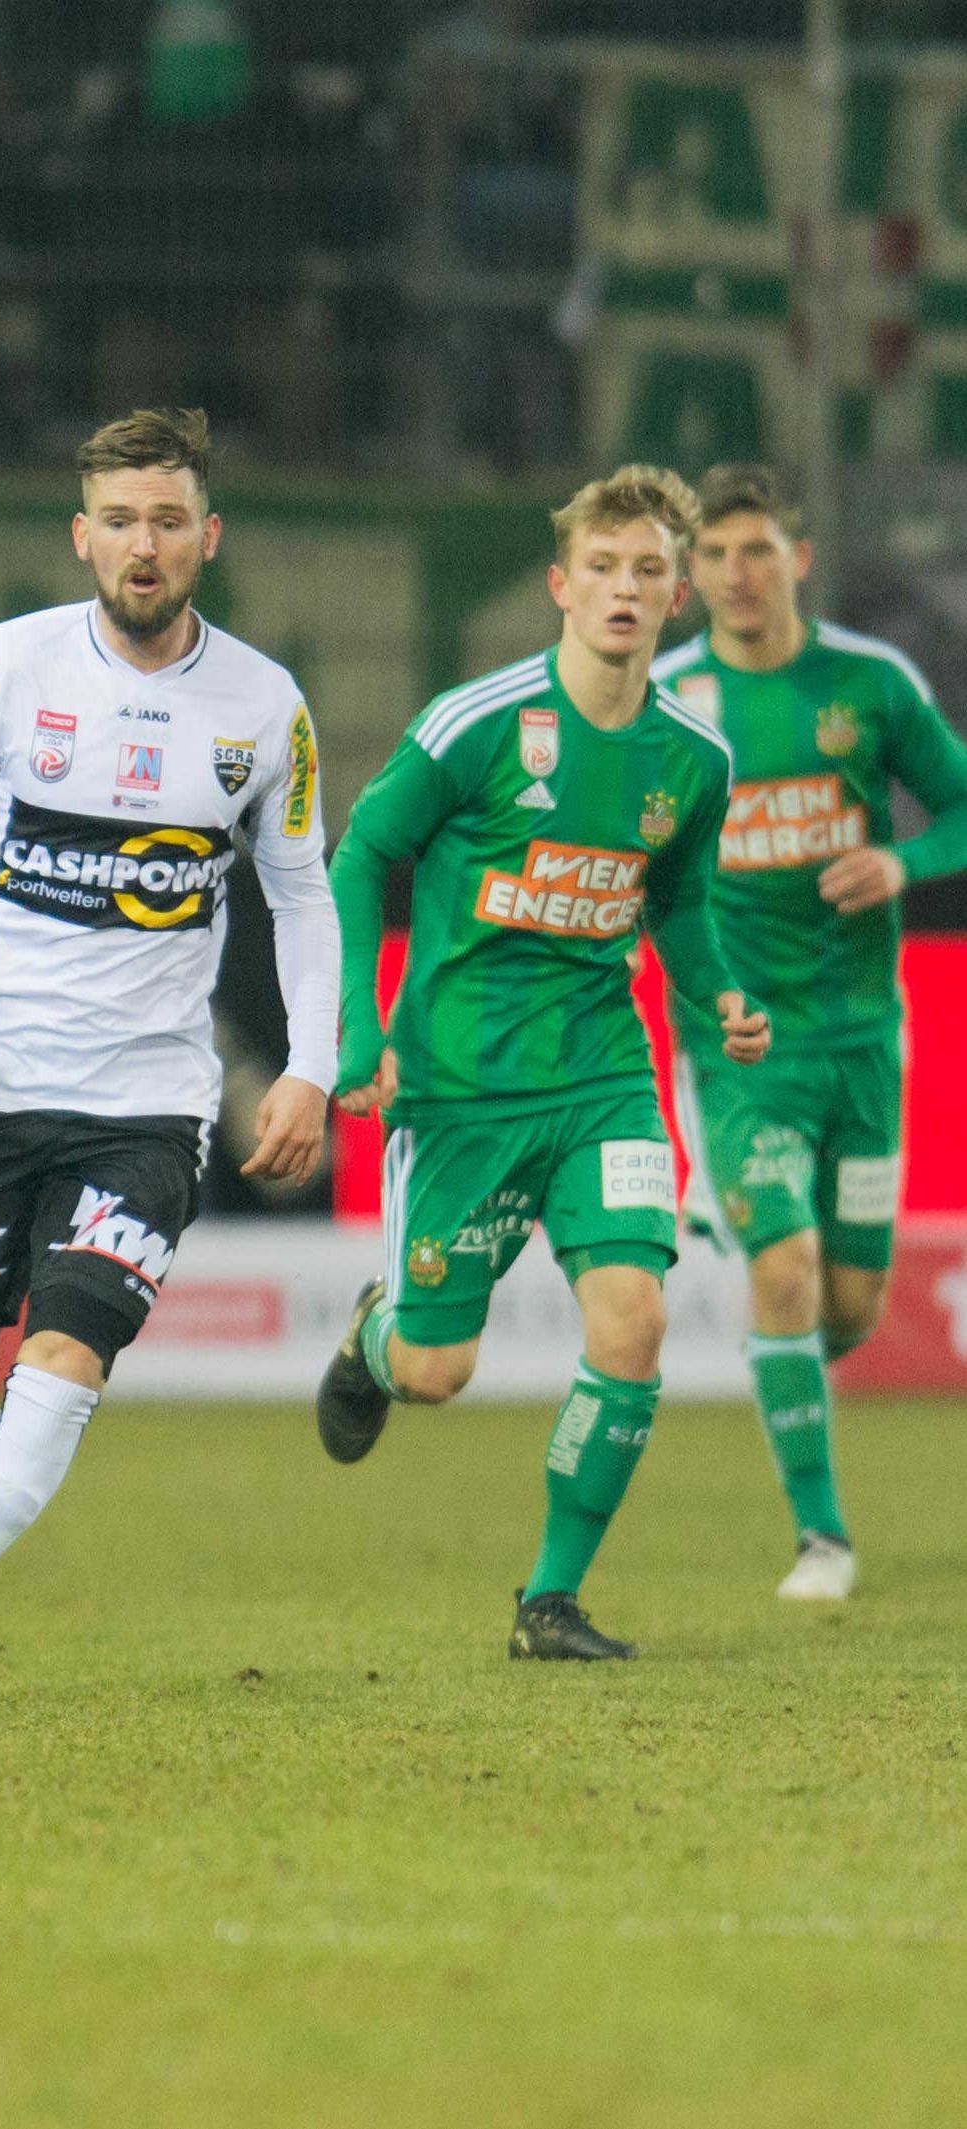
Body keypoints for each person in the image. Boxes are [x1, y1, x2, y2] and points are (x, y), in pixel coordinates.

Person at [0, 407, 339, 1716]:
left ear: (206, 537)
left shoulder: (265, 707)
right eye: (118, 520)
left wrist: (308, 1066)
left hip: (145, 1109)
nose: (142, 544)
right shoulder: (1, 671)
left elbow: (302, 894)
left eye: (167, 519)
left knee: (59, 1376)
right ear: (80, 536)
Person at [315, 464, 769, 1661]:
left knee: (633, 1317)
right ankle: (375, 1337)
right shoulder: (475, 724)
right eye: (604, 568)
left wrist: (718, 989)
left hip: (605, 1075)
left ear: (678, 598)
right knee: (436, 1366)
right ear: (563, 585)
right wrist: (360, 1033)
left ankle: (549, 1599)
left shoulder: (695, 761)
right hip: (461, 1084)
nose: (626, 588)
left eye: (649, 570)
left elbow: (675, 902)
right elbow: (362, 857)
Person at [654, 463, 967, 1601]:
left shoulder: (870, 683)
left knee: (848, 1309)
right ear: (693, 573)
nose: (738, 572)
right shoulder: (670, 699)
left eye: (758, 549)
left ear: (801, 556)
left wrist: (905, 857)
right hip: (741, 1044)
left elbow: (962, 801)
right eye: (717, 554)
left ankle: (773, 1332)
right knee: (785, 1271)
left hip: (866, 1042)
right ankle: (823, 1539)